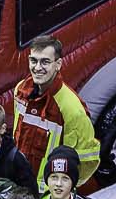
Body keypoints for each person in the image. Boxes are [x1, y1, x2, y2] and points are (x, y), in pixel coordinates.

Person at [11, 34, 99, 188]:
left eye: (45, 62)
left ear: (58, 64)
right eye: (33, 61)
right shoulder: (20, 91)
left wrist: (61, 190)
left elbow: (88, 159)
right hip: (17, 184)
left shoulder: (72, 109)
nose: (37, 68)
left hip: (46, 194)